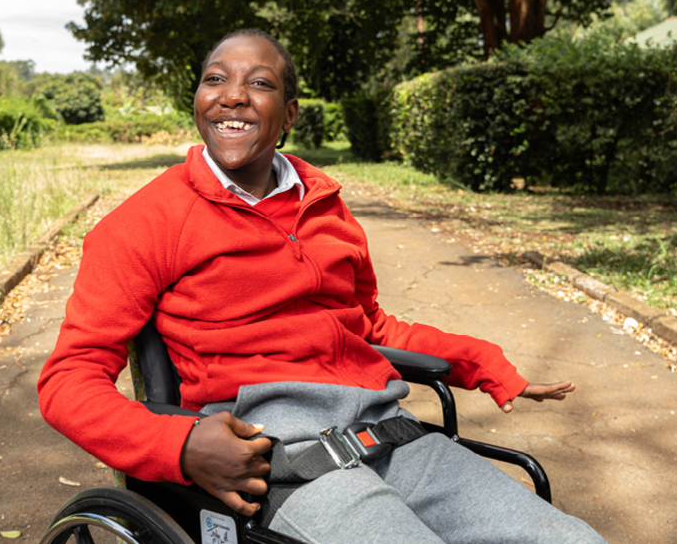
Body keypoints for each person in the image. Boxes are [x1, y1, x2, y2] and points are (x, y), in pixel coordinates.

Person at [38, 29, 605, 544]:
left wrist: (482, 362)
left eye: (257, 84)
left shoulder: (325, 207)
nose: (231, 96)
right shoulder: (145, 224)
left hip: (393, 436)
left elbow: (371, 326)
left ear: (289, 114)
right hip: (276, 456)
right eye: (215, 79)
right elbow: (68, 381)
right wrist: (179, 447)